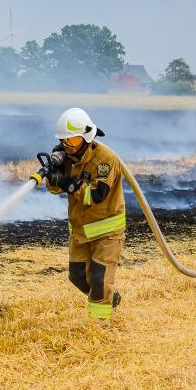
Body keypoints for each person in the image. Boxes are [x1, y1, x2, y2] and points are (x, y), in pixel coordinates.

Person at [43, 108, 126, 320]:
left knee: (99, 281)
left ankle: (100, 327)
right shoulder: (67, 157)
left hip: (106, 233)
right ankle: (109, 298)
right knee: (78, 277)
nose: (66, 145)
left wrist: (69, 183)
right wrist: (55, 175)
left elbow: (96, 196)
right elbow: (53, 189)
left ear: (86, 135)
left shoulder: (105, 159)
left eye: (71, 140)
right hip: (80, 232)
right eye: (63, 140)